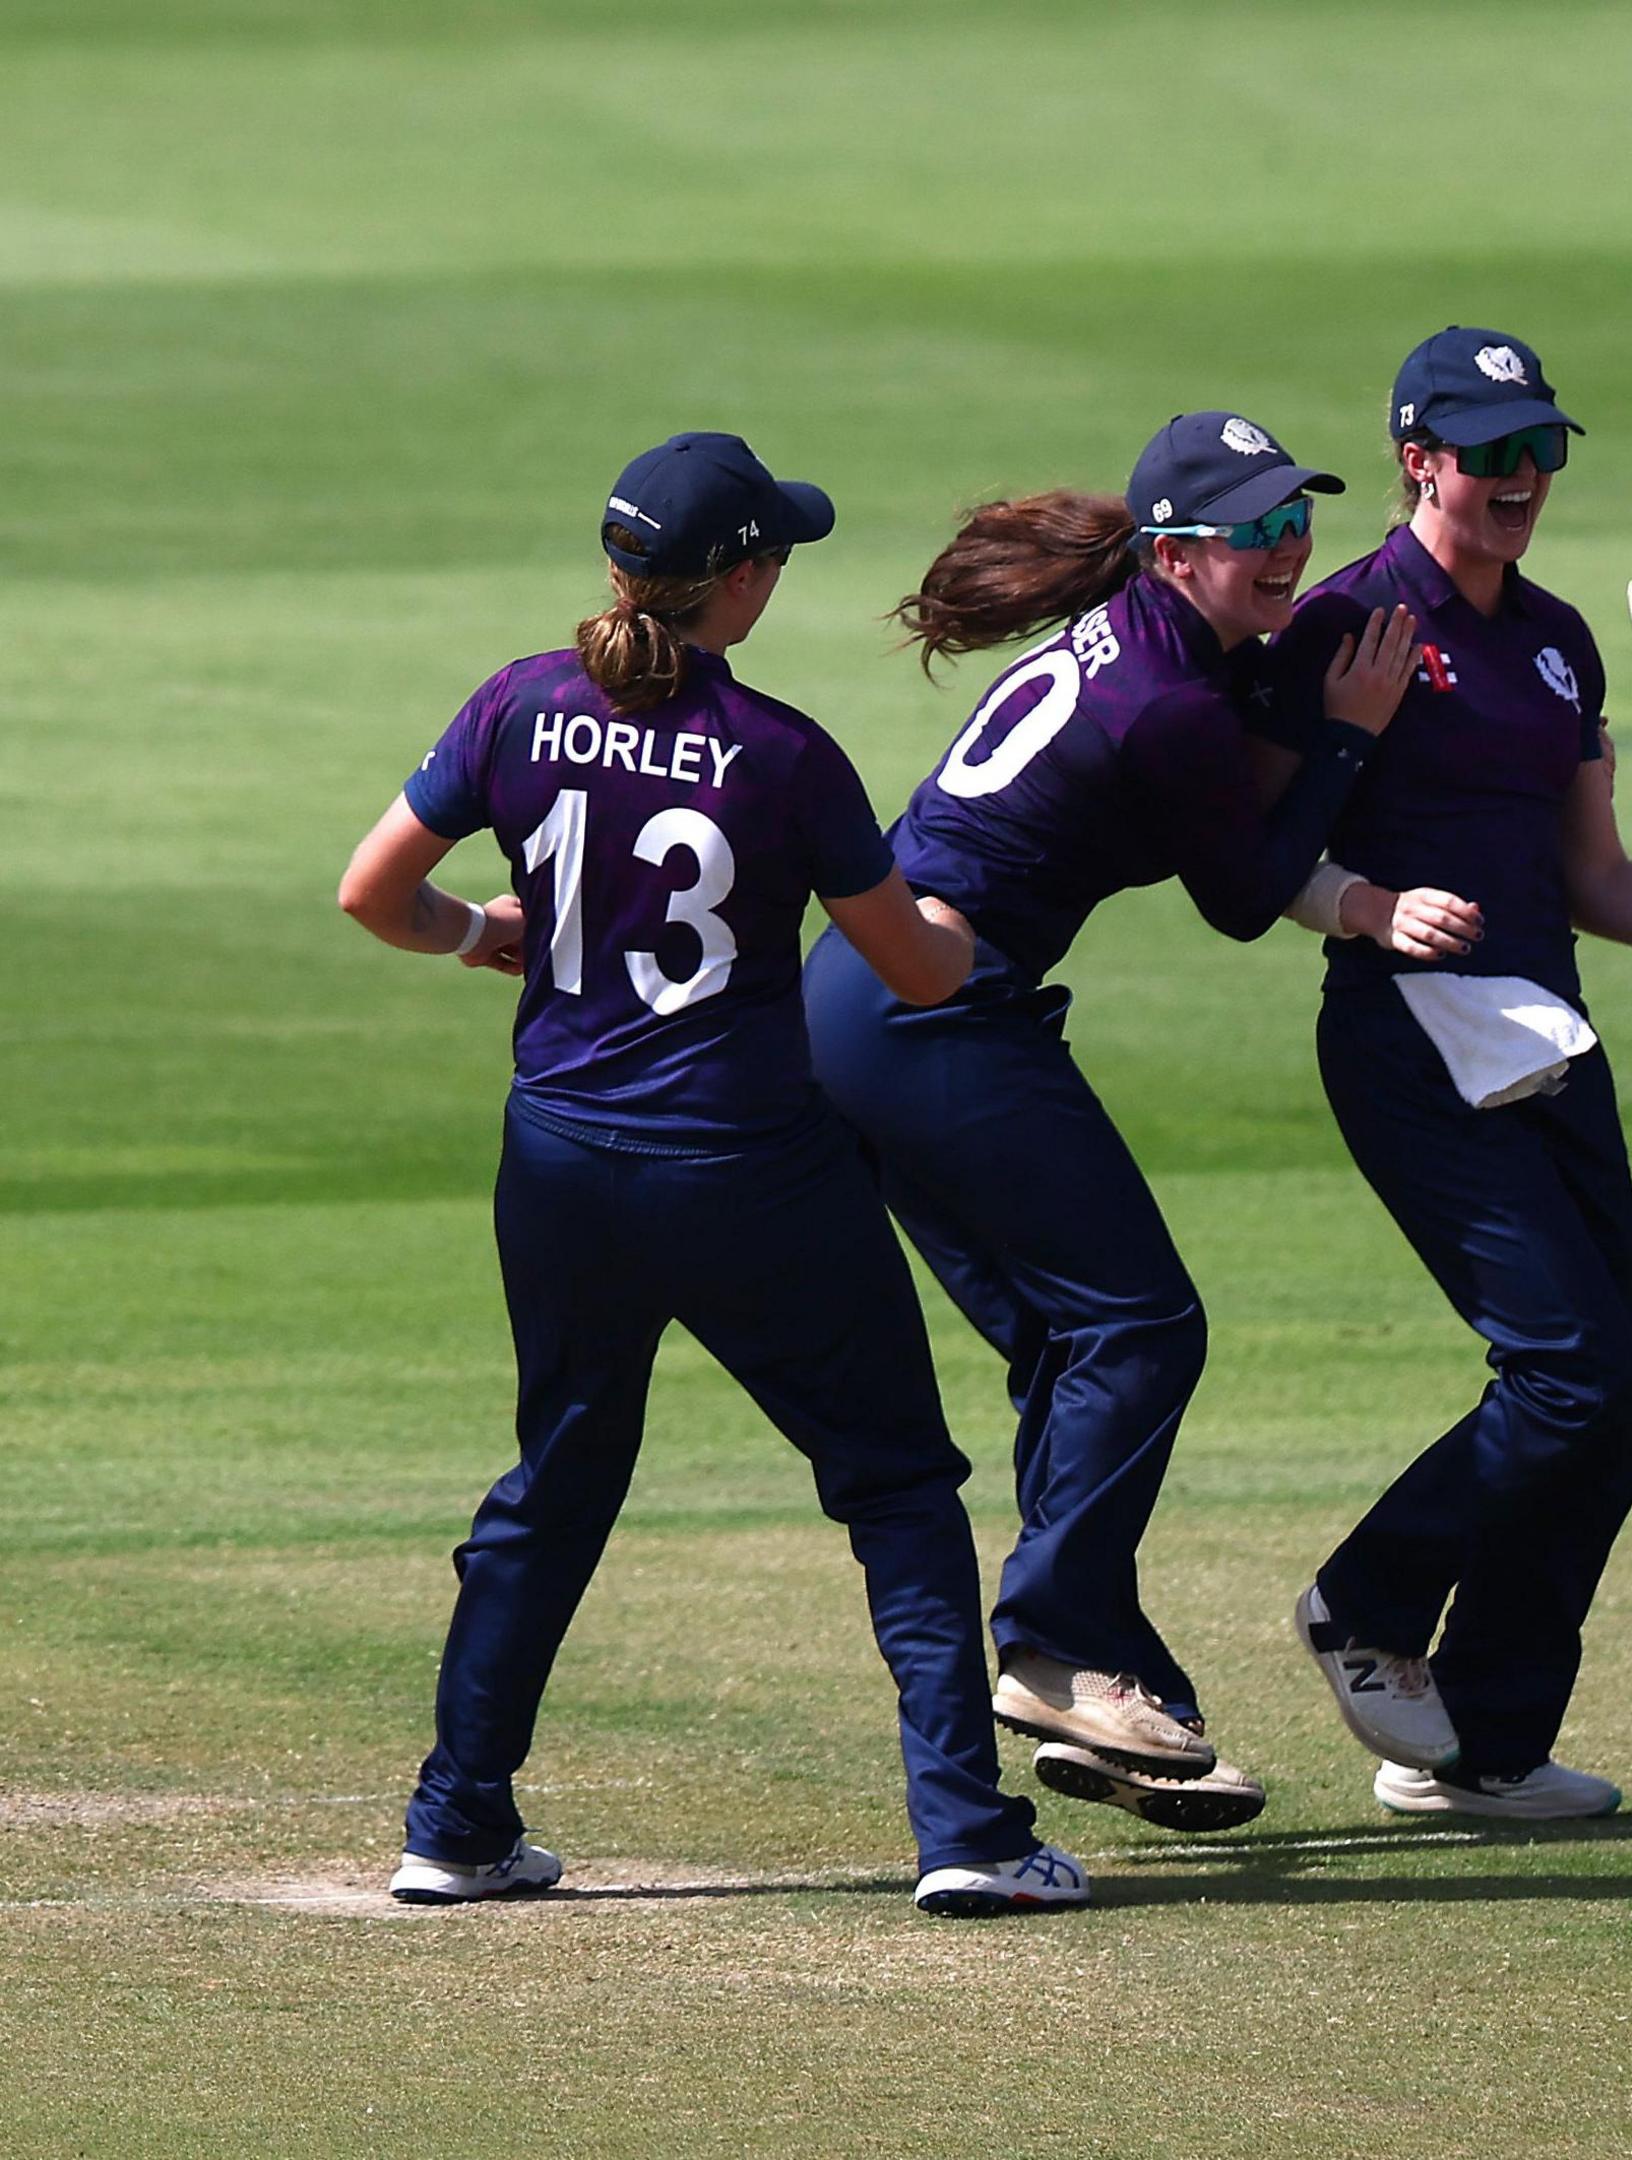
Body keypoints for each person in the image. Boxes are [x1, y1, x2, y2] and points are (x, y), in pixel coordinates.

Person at [340, 432, 1084, 1917]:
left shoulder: (517, 704)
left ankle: (458, 1821)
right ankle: (968, 1837)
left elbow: (373, 894)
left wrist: (483, 937)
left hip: (559, 1162)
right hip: (752, 1174)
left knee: (557, 1485)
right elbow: (920, 976)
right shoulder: (787, 756)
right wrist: (988, 911)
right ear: (735, 581)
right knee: (896, 1487)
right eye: (776, 558)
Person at [802, 412, 1415, 1833]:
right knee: (1143, 1329)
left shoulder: (1150, 648)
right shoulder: (1170, 702)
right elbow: (1246, 894)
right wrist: (1346, 735)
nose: (1285, 551)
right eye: (1254, 533)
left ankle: (1115, 1689)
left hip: (860, 1005)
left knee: (1069, 1350)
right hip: (936, 1006)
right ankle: (1056, 1649)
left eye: (1295, 524)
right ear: (1175, 553)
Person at [1254, 329, 1632, 1820]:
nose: (1519, 479)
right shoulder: (1346, 624)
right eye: (1488, 451)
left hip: (1542, 1039)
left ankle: (1489, 1743)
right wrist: (1369, 905)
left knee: (1613, 1398)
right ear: (1417, 458)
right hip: (1406, 1039)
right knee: (1566, 1374)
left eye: (1541, 451)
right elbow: (1258, 856)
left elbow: (1596, 880)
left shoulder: (1563, 638)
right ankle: (1363, 1605)